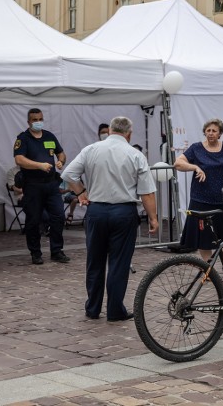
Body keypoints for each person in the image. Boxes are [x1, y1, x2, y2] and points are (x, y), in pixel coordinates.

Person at [61, 116, 158, 322]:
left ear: (110, 130)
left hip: (96, 211)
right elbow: (147, 193)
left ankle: (93, 307)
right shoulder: (135, 154)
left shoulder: (91, 149)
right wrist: (153, 218)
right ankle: (115, 310)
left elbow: (69, 174)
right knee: (119, 263)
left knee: (94, 262)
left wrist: (81, 192)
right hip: (123, 213)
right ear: (129, 134)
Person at [174, 119, 223, 271]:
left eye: (214, 131)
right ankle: (207, 267)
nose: (211, 133)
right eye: (208, 130)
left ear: (220, 133)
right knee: (203, 236)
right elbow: (178, 163)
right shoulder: (196, 148)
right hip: (201, 199)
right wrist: (195, 167)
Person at [13, 108, 70, 265]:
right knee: (33, 220)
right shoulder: (23, 139)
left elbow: (61, 153)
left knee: (58, 216)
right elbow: (19, 160)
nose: (38, 122)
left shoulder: (49, 136)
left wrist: (60, 161)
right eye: (34, 120)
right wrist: (39, 165)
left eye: (40, 119)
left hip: (51, 184)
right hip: (33, 185)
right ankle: (35, 253)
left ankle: (57, 251)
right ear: (29, 122)